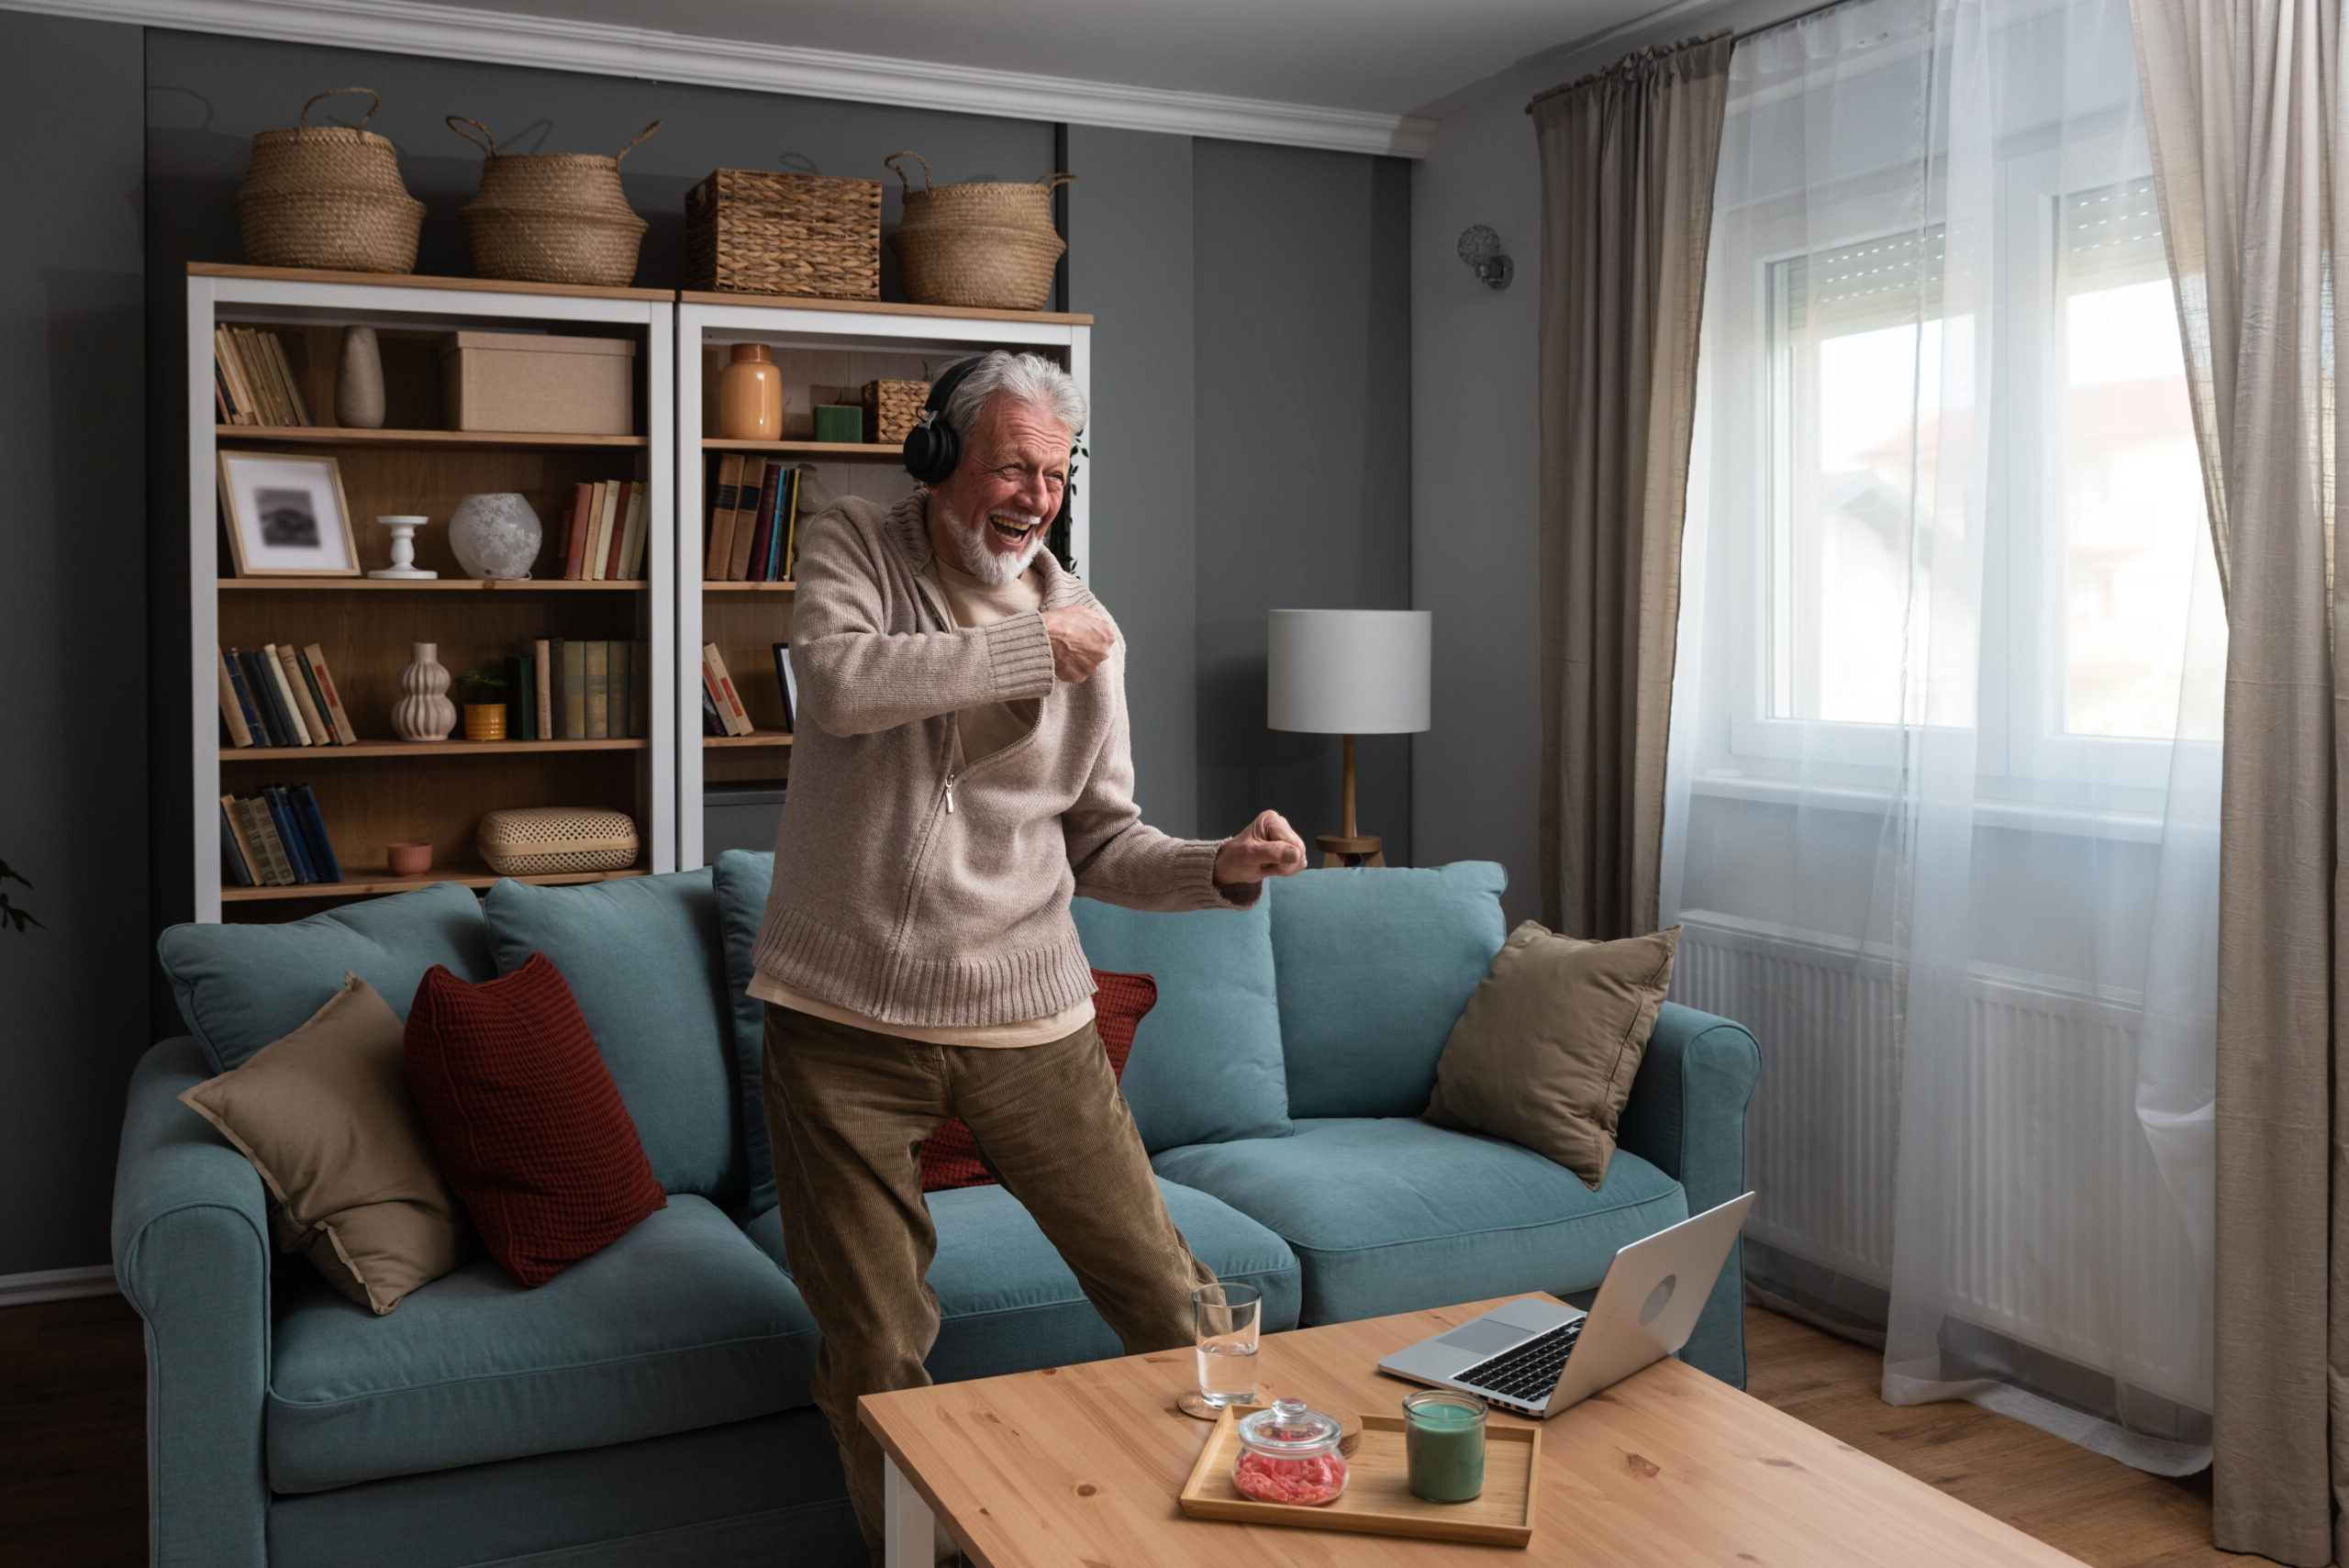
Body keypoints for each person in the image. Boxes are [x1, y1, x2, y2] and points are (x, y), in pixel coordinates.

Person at [747, 350, 1307, 1555]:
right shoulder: (856, 541)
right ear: (941, 456)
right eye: (1012, 463)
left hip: (1034, 1028)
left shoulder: (1089, 631)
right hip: (841, 1030)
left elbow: (1103, 838)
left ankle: (1249, 1531)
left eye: (1055, 472)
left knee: (1173, 1300)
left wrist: (1219, 864)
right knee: (878, 1355)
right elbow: (838, 682)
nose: (1035, 494)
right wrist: (1022, 650)